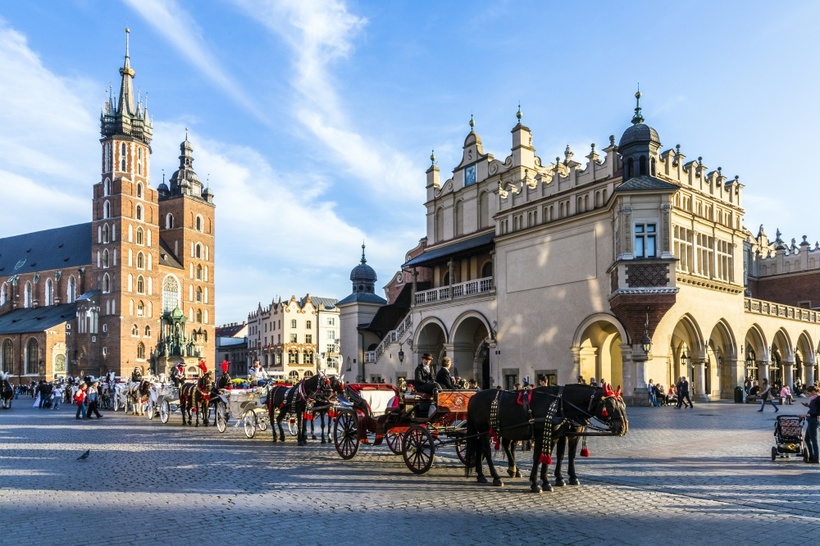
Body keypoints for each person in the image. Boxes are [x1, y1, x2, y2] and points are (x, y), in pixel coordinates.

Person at [801, 385, 819, 463]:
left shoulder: (818, 399)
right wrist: (808, 406)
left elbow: (816, 413)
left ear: (813, 392)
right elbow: (813, 409)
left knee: (813, 439)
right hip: (811, 421)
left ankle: (816, 458)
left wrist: (804, 415)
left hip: (813, 421)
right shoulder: (814, 399)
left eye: (808, 393)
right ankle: (811, 456)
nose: (808, 395)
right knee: (807, 439)